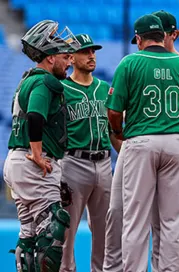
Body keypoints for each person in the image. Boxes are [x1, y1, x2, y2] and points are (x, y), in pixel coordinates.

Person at [105, 14, 179, 272]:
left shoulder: (129, 63)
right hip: (176, 142)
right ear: (163, 36)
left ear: (139, 39)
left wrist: (118, 132)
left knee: (136, 219)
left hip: (141, 141)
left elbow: (114, 112)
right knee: (173, 220)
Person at [3, 20, 80, 271]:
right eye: (65, 57)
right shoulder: (45, 82)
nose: (69, 61)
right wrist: (37, 155)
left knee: (29, 234)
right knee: (53, 228)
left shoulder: (28, 79)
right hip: (32, 161)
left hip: (16, 160)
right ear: (49, 58)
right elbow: (36, 116)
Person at [59, 33, 122, 272]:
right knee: (66, 228)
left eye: (93, 51)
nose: (91, 56)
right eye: (85, 52)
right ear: (71, 57)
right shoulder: (62, 89)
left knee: (105, 229)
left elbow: (114, 131)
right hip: (74, 162)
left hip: (104, 162)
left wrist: (126, 158)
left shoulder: (104, 88)